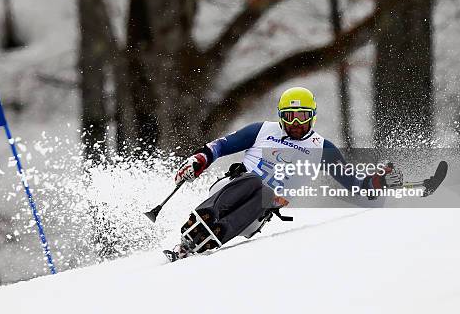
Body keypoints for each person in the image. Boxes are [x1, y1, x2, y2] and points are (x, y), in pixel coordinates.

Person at [164, 87, 403, 261]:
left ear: (312, 117)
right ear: (281, 117)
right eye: (289, 116)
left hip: (256, 214)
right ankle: (198, 226)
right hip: (230, 187)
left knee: (267, 194)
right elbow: (221, 146)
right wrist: (199, 159)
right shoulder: (262, 130)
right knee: (254, 182)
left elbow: (354, 185)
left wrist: (379, 183)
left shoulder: (323, 149)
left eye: (302, 117)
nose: (296, 123)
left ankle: (211, 237)